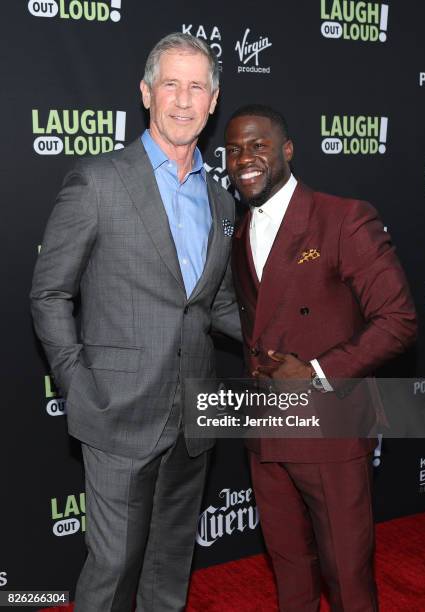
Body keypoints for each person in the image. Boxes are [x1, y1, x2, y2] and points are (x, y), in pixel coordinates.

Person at [30, 33, 240, 612]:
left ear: (214, 99)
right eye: (170, 83)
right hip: (116, 409)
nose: (182, 99)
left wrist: (291, 335)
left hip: (196, 412)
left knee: (170, 565)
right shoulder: (98, 181)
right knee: (114, 567)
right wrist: (78, 383)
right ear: (146, 93)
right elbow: (49, 293)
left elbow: (214, 303)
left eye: (196, 86)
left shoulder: (222, 204)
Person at [225, 104, 417, 611]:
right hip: (265, 431)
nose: (245, 158)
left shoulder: (343, 217)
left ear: (287, 151)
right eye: (233, 149)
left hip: (328, 427)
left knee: (347, 577)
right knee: (289, 572)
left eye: (258, 145)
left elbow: (398, 319)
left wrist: (315, 372)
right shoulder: (239, 232)